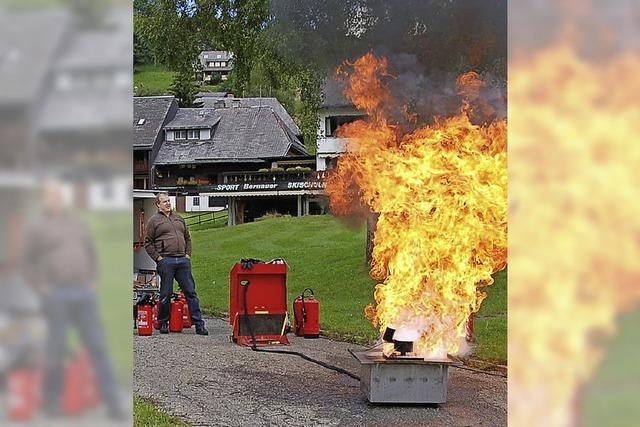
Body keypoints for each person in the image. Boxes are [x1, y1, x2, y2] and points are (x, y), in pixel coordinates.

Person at [24, 179, 125, 419]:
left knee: (98, 346)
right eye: (51, 195)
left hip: (84, 293)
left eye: (59, 195)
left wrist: (93, 279)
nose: (57, 199)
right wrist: (41, 287)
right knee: (55, 350)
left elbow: (91, 253)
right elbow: (27, 263)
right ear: (44, 200)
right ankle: (52, 404)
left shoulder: (78, 224)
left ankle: (113, 404)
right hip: (55, 295)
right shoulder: (37, 228)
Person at [144, 192, 208, 335]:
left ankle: (199, 324)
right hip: (166, 261)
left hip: (182, 261)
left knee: (190, 292)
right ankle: (163, 322)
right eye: (164, 201)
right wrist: (158, 258)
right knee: (165, 293)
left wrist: (187, 255)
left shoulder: (179, 219)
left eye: (168, 201)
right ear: (158, 205)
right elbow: (147, 243)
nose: (167, 203)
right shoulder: (154, 221)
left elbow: (187, 238)